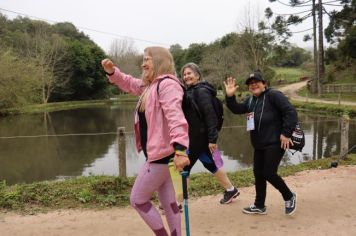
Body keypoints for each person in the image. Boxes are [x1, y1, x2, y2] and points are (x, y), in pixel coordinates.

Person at [101, 46, 190, 236]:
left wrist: (181, 150)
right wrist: (112, 72)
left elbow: (176, 117)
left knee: (138, 200)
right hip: (163, 155)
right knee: (169, 203)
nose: (143, 63)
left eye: (148, 59)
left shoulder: (167, 85)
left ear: (159, 61)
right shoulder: (150, 86)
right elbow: (129, 83)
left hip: (162, 156)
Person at [224, 72, 298, 215]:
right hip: (259, 144)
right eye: (250, 83)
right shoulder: (250, 100)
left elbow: (290, 111)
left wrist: (286, 133)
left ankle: (289, 196)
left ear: (264, 83)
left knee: (269, 173)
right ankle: (259, 205)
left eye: (256, 81)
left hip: (276, 142)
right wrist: (230, 96)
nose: (253, 85)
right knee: (258, 174)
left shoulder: (274, 95)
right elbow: (236, 109)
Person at [181, 63, 239, 204]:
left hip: (199, 138)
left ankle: (178, 203)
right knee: (211, 164)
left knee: (183, 166)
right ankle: (231, 190)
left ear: (197, 75)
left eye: (189, 73)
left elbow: (210, 116)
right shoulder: (191, 91)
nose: (186, 76)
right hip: (197, 137)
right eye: (184, 74)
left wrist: (212, 139)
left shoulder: (201, 92)